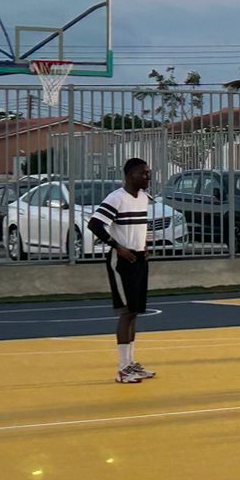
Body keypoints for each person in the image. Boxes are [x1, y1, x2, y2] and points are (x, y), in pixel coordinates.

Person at [88, 158, 156, 384]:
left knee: (135, 311)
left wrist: (144, 245)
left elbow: (140, 226)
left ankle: (131, 363)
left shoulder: (144, 198)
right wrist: (118, 246)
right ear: (130, 175)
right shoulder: (116, 198)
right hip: (122, 260)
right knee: (126, 311)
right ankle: (122, 368)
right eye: (143, 173)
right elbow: (95, 224)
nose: (148, 176)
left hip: (138, 257)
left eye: (148, 173)